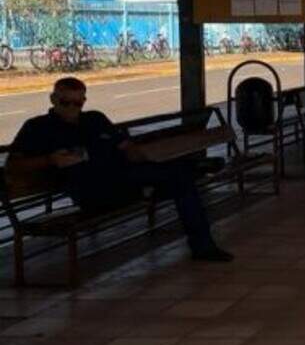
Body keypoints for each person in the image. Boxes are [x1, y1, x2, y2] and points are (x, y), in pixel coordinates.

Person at [7, 77, 233, 262]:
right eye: (65, 103)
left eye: (78, 103)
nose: (71, 109)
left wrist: (143, 156)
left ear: (84, 101)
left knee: (179, 178)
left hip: (124, 175)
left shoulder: (95, 119)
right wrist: (50, 160)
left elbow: (126, 147)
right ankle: (182, 177)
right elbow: (13, 165)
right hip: (93, 188)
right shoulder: (37, 128)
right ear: (53, 99)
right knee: (178, 178)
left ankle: (203, 245)